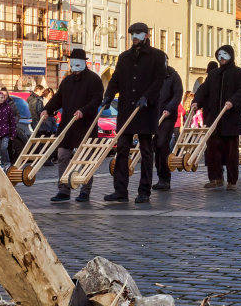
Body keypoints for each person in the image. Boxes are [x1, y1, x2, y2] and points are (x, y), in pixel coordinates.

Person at [101, 22, 167, 203]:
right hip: (126, 110)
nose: (134, 37)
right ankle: (120, 191)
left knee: (146, 151)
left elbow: (159, 81)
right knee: (122, 149)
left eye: (138, 33)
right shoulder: (124, 57)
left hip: (146, 111)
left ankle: (144, 191)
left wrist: (148, 97)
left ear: (146, 35)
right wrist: (108, 96)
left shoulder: (157, 56)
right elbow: (115, 80)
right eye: (132, 34)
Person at [42, 50, 103, 202]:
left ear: (84, 62)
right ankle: (64, 190)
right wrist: (47, 110)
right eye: (72, 64)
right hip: (68, 125)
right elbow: (58, 98)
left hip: (85, 125)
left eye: (77, 64)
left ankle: (85, 191)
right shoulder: (67, 81)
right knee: (62, 156)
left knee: (86, 158)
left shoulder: (94, 79)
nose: (74, 68)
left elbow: (97, 100)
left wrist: (84, 111)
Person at [200, 45, 241, 189]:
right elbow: (204, 91)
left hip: (230, 118)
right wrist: (197, 101)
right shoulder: (213, 74)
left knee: (231, 152)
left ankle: (232, 181)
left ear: (231, 56)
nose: (221, 57)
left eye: (225, 54)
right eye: (219, 54)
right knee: (212, 150)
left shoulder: (239, 73)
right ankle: (215, 178)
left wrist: (232, 101)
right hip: (214, 118)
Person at [154, 63, 184, 191]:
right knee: (154, 146)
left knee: (162, 143)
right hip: (154, 115)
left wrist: (170, 108)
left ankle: (165, 178)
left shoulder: (174, 76)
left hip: (167, 115)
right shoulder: (154, 75)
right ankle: (160, 176)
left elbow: (178, 95)